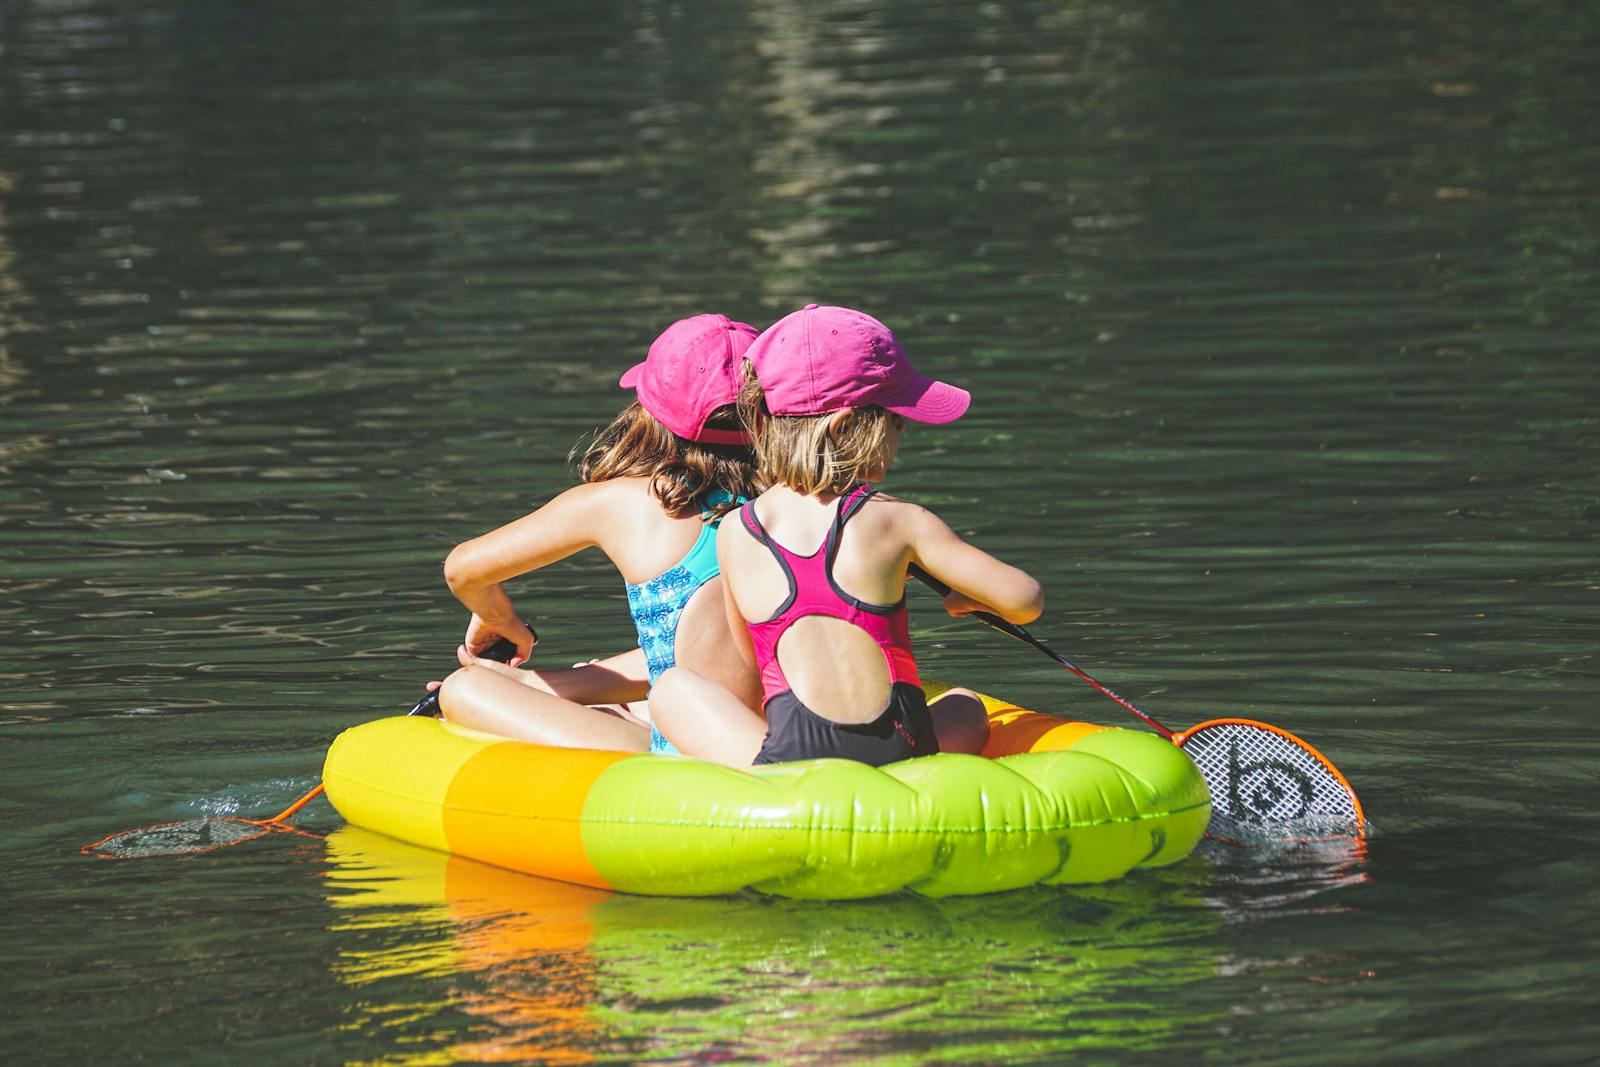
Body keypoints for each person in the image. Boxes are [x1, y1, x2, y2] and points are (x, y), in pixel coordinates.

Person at [649, 304, 1043, 768]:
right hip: (903, 754)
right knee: (966, 704)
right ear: (846, 426)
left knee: (672, 690)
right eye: (896, 418)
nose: (901, 432)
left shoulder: (735, 529)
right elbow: (1025, 600)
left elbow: (753, 662)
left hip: (791, 763)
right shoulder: (899, 520)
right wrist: (963, 599)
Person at [434, 313, 765, 753]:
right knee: (614, 683)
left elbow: (463, 570)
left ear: (649, 411)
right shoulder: (797, 503)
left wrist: (499, 619)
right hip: (767, 736)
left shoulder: (619, 503)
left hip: (687, 756)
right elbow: (718, 658)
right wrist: (537, 682)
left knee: (462, 688)